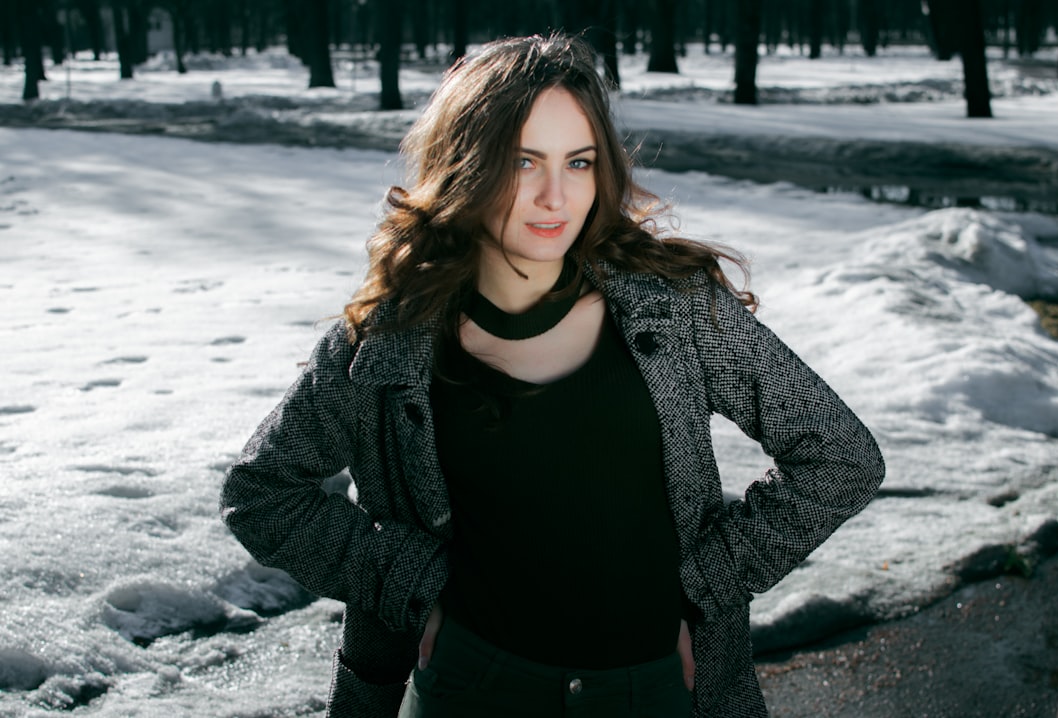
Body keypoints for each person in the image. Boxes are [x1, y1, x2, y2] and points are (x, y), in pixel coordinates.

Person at [220, 33, 885, 718]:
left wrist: (704, 585)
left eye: (579, 162)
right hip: (467, 687)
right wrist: (408, 581)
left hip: (654, 689)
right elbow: (262, 492)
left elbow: (840, 459)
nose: (553, 196)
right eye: (522, 161)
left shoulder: (673, 310)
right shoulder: (389, 342)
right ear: (467, 164)